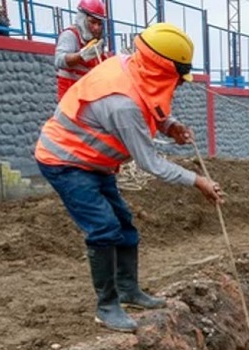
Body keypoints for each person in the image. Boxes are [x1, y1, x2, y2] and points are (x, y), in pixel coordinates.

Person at [33, 23, 223, 333]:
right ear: (163, 70)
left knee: (124, 224)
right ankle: (107, 307)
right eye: (178, 79)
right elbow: (151, 163)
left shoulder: (132, 66)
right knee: (104, 228)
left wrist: (169, 125)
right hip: (65, 162)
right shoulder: (122, 104)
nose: (178, 86)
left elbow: (150, 101)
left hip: (95, 163)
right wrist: (197, 180)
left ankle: (128, 290)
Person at [54, 0, 110, 101]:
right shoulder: (70, 36)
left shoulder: (97, 44)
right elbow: (59, 60)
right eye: (92, 22)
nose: (96, 28)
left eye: (99, 24)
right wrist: (81, 56)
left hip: (89, 98)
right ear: (82, 19)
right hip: (70, 99)